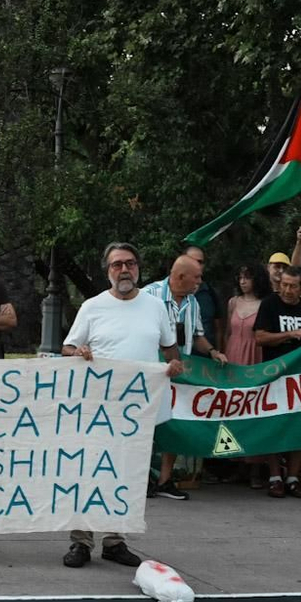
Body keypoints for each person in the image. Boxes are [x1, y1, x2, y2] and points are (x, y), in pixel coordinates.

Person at [60, 242, 180, 566]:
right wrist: (80, 353)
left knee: (127, 475)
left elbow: (170, 351)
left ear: (138, 268)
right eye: (117, 265)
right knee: (88, 474)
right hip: (97, 412)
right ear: (107, 271)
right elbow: (67, 349)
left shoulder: (155, 307)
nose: (124, 270)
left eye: (129, 263)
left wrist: (173, 366)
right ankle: (81, 542)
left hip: (136, 414)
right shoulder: (92, 307)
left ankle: (115, 540)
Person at [146, 251, 224, 499]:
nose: (200, 282)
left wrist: (212, 351)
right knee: (147, 425)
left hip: (180, 375)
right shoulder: (149, 296)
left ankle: (165, 480)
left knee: (175, 423)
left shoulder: (193, 302)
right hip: (151, 373)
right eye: (197, 277)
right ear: (180, 276)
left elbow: (197, 336)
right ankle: (143, 478)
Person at [254, 264, 301, 497]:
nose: (287, 290)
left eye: (293, 286)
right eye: (284, 285)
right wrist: (292, 334)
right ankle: (275, 477)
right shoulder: (269, 304)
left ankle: (293, 478)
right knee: (274, 424)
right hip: (274, 375)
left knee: (299, 426)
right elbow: (260, 337)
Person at [221, 262, 267, 367]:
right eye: (240, 278)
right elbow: (227, 333)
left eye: (247, 278)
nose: (242, 282)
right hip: (232, 351)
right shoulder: (233, 302)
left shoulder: (264, 304)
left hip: (254, 353)